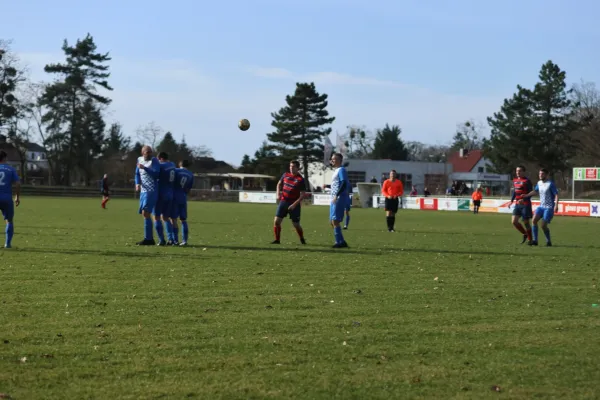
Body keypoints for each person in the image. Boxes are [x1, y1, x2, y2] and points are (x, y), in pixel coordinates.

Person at [272, 160, 307, 244]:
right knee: (276, 221)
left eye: (294, 167)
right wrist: (277, 194)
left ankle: (302, 238)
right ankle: (277, 240)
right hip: (283, 201)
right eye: (290, 166)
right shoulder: (285, 175)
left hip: (294, 204)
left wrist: (294, 204)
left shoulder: (300, 179)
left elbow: (302, 195)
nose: (291, 168)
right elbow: (279, 184)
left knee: (296, 225)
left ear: (298, 168)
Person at [522, 168, 559, 246]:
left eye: (542, 174)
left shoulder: (550, 184)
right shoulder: (539, 183)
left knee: (543, 225)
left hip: (549, 208)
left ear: (546, 175)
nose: (540, 175)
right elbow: (535, 191)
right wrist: (526, 195)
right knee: (534, 221)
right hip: (541, 207)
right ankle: (535, 241)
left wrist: (556, 205)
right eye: (539, 174)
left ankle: (548, 241)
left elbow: (556, 194)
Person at [135, 145, 160, 245]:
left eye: (150, 152)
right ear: (142, 153)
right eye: (147, 152)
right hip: (143, 191)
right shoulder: (139, 159)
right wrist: (137, 183)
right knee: (144, 214)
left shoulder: (154, 161)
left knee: (146, 213)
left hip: (151, 190)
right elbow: (137, 173)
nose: (149, 153)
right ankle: (149, 238)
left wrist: (145, 168)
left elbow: (156, 174)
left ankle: (149, 239)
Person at [0, 151, 20, 248]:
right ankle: (7, 244)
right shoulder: (10, 169)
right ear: (5, 158)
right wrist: (17, 196)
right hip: (6, 198)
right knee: (9, 220)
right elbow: (17, 183)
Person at [155, 152, 177, 246]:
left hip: (161, 193)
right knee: (166, 218)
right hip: (170, 193)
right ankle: (171, 239)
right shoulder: (172, 164)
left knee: (156, 217)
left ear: (160, 158)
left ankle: (161, 240)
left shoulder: (160, 165)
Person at [329, 153, 350, 248]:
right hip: (334, 197)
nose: (332, 160)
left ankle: (338, 242)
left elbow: (344, 183)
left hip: (338, 198)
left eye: (334, 159)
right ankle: (342, 241)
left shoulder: (341, 170)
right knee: (332, 221)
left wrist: (337, 195)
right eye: (332, 159)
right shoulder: (336, 170)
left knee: (335, 220)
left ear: (339, 160)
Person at [172, 160, 194, 246]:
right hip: (183, 197)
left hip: (174, 197)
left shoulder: (176, 171)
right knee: (183, 220)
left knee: (173, 219)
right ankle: (184, 241)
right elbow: (189, 188)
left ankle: (175, 240)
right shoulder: (190, 174)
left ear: (179, 164)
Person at [510, 165, 534, 244]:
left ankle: (530, 240)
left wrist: (523, 199)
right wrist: (511, 201)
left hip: (525, 204)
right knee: (514, 221)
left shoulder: (527, 181)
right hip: (517, 204)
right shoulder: (515, 180)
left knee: (526, 222)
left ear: (523, 172)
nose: (518, 172)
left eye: (520, 171)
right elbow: (515, 192)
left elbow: (531, 193)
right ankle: (525, 233)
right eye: (517, 171)